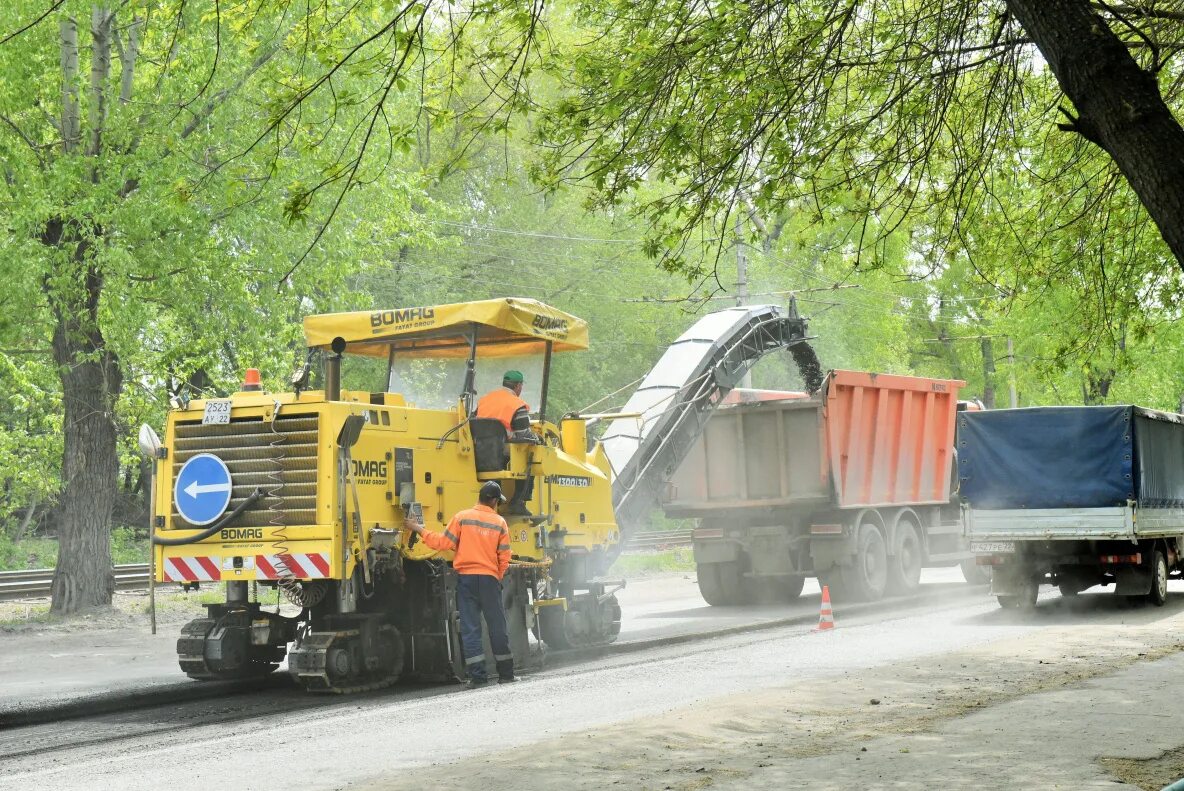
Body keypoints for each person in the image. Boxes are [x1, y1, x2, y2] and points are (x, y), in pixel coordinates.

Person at [407, 481, 516, 687]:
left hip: (466, 580)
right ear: (493, 501)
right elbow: (505, 557)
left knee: (470, 628)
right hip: (489, 580)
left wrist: (418, 529)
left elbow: (442, 543)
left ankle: (478, 678)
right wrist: (497, 577)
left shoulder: (462, 518)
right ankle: (506, 675)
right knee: (497, 626)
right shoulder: (500, 522)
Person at [476, 370, 531, 434]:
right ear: (518, 385)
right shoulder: (518, 405)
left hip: (480, 441)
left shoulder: (483, 400)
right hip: (502, 443)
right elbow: (523, 435)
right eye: (522, 385)